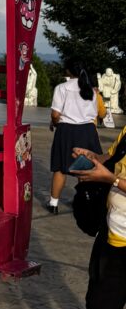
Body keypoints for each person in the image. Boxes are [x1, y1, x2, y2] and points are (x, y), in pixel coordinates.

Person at [52, 123, 126, 309]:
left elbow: (115, 176)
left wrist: (111, 179)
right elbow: (112, 157)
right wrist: (94, 158)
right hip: (114, 236)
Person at [46, 62, 101, 214]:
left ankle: (54, 204)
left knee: (60, 168)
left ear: (68, 70)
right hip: (87, 130)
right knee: (84, 169)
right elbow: (94, 114)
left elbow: (55, 114)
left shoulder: (61, 88)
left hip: (67, 130)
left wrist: (55, 123)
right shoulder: (91, 90)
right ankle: (84, 203)